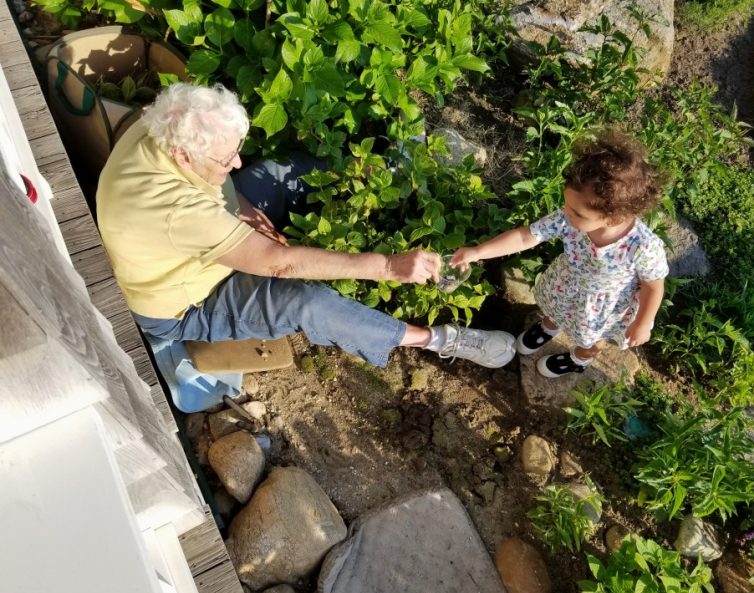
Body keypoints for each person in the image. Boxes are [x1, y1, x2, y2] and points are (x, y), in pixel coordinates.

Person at [96, 82, 516, 377]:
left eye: (234, 152)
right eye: (226, 161)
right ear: (182, 156)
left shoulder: (161, 124)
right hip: (186, 303)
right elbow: (279, 265)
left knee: (279, 173)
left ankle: (389, 171)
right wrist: (388, 267)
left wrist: (240, 207)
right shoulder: (174, 209)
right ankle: (437, 340)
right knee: (305, 302)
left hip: (190, 245)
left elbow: (221, 183)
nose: (236, 164)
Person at [452, 129, 668, 378]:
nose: (566, 213)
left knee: (592, 340)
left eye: (576, 213)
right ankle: (548, 327)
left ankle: (579, 359)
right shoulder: (570, 218)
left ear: (613, 218)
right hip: (566, 285)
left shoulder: (643, 246)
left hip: (602, 310)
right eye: (566, 205)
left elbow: (653, 286)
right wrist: (478, 251)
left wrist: (642, 322)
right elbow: (527, 236)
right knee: (555, 309)